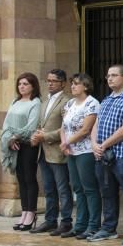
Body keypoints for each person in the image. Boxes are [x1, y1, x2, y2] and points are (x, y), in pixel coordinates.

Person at [89, 64, 123, 244]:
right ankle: (108, 228)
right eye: (108, 76)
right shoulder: (106, 100)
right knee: (107, 192)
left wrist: (103, 145)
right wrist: (94, 144)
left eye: (114, 75)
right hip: (103, 155)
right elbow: (96, 125)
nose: (110, 79)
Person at [30, 69, 73, 235]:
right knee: (48, 188)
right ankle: (50, 220)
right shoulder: (45, 102)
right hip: (43, 151)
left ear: (63, 83)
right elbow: (41, 125)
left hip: (57, 151)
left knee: (62, 188)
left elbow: (65, 128)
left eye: (54, 81)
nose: (50, 83)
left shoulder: (67, 101)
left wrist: (45, 136)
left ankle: (66, 221)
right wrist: (36, 136)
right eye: (48, 80)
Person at [59, 73, 100, 239]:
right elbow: (63, 126)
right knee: (77, 188)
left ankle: (93, 225)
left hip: (85, 151)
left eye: (76, 84)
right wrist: (64, 143)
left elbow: (85, 129)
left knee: (89, 188)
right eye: (72, 84)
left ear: (86, 86)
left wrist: (66, 142)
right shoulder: (70, 103)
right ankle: (80, 224)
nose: (73, 86)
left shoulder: (92, 103)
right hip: (71, 150)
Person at [0, 73, 42, 231]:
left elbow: (31, 127)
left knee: (29, 178)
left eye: (25, 84)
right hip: (14, 144)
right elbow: (6, 123)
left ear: (33, 86)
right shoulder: (15, 101)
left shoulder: (35, 102)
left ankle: (31, 213)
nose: (22, 86)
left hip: (27, 144)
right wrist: (9, 139)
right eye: (20, 84)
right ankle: (24, 212)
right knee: (21, 179)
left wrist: (15, 137)